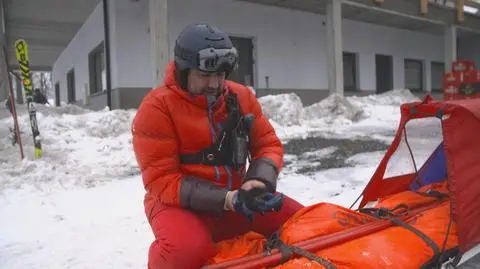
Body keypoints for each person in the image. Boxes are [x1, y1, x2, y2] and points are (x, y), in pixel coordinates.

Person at [131, 23, 304, 269]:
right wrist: (225, 199)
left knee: (306, 223)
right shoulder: (157, 108)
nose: (214, 84)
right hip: (178, 205)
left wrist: (259, 181)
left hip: (238, 198)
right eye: (204, 75)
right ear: (183, 71)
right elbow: (161, 180)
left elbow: (268, 145)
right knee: (184, 251)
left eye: (220, 75)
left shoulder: (241, 97)